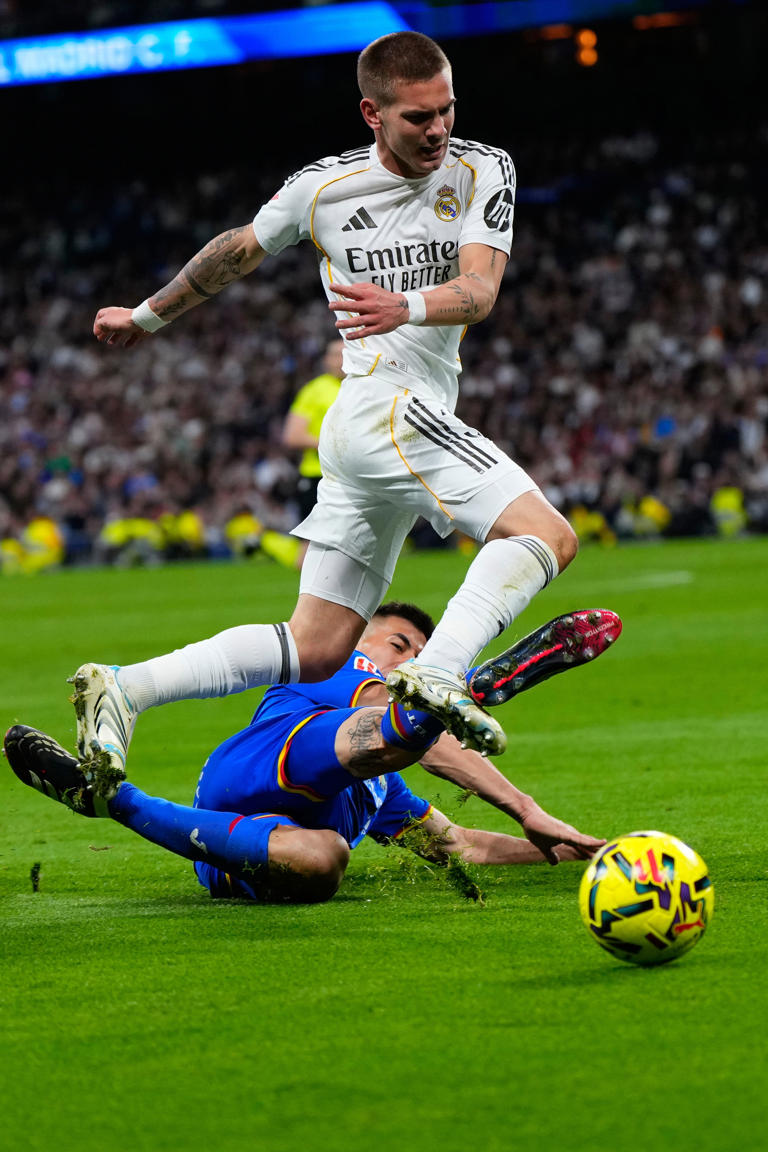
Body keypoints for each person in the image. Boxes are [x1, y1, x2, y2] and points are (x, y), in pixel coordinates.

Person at [78, 30, 582, 787]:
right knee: (548, 534)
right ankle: (441, 669)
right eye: (418, 117)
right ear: (372, 113)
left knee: (316, 647)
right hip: (386, 409)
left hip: (374, 426)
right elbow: (238, 250)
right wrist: (146, 316)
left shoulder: (483, 168)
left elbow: (480, 291)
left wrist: (404, 305)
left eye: (447, 109)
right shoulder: (323, 188)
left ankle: (127, 687)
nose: (439, 129)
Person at [8, 605, 620, 904]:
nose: (410, 659)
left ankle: (108, 800)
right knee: (389, 721)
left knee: (326, 859)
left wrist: (578, 852)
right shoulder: (337, 665)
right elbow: (395, 721)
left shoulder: (382, 785)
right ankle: (466, 691)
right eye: (400, 644)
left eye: (422, 656)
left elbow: (459, 845)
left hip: (249, 845)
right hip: (258, 764)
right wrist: (524, 806)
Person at [282, 338, 345, 521]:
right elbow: (292, 436)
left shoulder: (362, 387)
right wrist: (335, 444)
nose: (341, 360)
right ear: (326, 360)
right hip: (319, 475)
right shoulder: (314, 390)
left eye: (346, 354)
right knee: (315, 535)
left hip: (353, 475)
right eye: (336, 355)